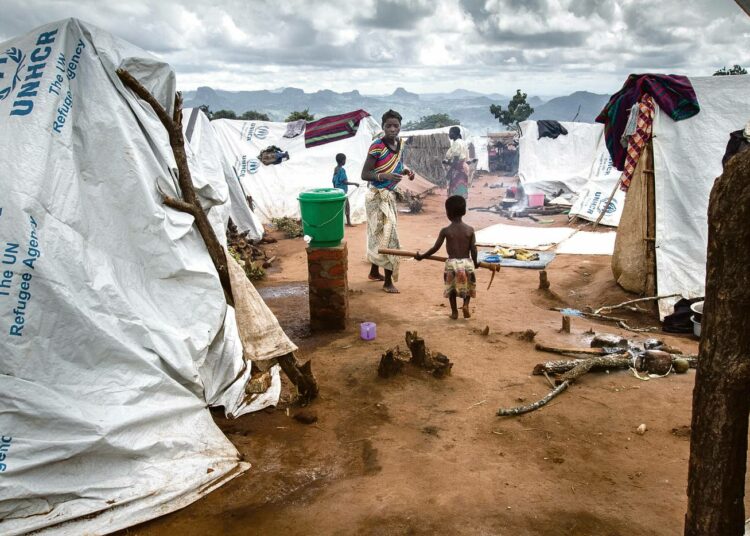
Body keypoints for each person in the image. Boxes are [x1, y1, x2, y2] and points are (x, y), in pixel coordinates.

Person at [361, 109, 415, 293]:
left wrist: (406, 171)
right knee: (388, 236)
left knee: (379, 235)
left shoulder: (400, 144)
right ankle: (388, 282)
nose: (392, 129)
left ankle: (374, 272)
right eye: (388, 126)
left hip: (389, 196)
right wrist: (386, 176)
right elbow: (365, 174)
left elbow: (398, 165)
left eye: (396, 126)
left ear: (400, 127)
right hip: (376, 196)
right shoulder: (376, 146)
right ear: (383, 127)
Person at [415, 195, 478, 319]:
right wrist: (475, 263)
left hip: (452, 264)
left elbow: (435, 248)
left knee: (451, 288)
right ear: (464, 211)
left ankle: (454, 312)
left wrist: (422, 256)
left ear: (448, 213)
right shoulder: (470, 230)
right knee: (469, 286)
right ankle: (466, 304)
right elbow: (473, 249)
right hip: (467, 263)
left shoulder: (446, 231)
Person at [332, 153, 359, 226]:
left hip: (337, 191)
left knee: (338, 207)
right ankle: (348, 222)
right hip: (342, 192)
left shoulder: (335, 169)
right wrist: (354, 183)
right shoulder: (342, 170)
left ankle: (337, 222)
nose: (345, 161)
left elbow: (333, 180)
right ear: (342, 160)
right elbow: (344, 181)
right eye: (345, 160)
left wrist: (335, 189)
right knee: (347, 206)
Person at [443, 126, 470, 199]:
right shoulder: (463, 142)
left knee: (455, 191)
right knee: (461, 189)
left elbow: (456, 159)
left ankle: (455, 207)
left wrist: (449, 171)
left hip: (457, 168)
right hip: (463, 167)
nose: (449, 135)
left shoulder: (456, 143)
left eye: (450, 133)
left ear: (454, 133)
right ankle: (460, 206)